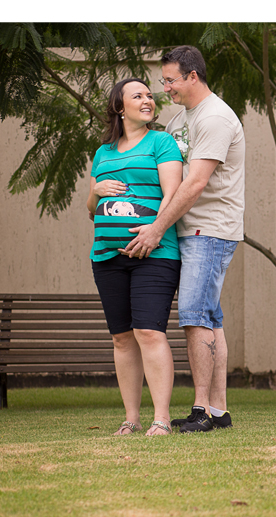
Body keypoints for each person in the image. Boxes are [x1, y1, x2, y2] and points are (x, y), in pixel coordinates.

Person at [120, 46, 245, 433]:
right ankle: (219, 411)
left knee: (193, 316)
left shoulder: (216, 118)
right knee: (209, 318)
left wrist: (157, 228)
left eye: (171, 80)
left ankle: (201, 411)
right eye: (164, 81)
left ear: (193, 76)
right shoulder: (181, 119)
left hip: (208, 228)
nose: (165, 88)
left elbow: (194, 184)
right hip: (189, 229)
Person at [86, 78, 183, 436]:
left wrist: (153, 231)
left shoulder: (162, 142)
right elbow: (91, 210)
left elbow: (173, 197)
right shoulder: (103, 153)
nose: (147, 100)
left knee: (148, 331)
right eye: (137, 96)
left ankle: (161, 418)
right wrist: (95, 191)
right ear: (119, 107)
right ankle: (131, 418)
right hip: (107, 256)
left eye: (149, 95)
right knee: (122, 337)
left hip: (155, 252)